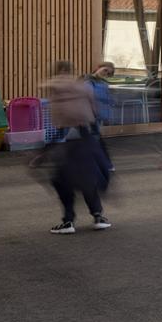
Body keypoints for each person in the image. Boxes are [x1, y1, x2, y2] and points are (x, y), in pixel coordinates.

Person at [43, 60, 110, 234]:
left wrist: (45, 150)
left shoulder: (54, 88)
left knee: (62, 181)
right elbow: (94, 111)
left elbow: (59, 120)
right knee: (89, 179)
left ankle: (68, 221)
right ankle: (98, 216)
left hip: (67, 142)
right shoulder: (83, 87)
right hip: (86, 137)